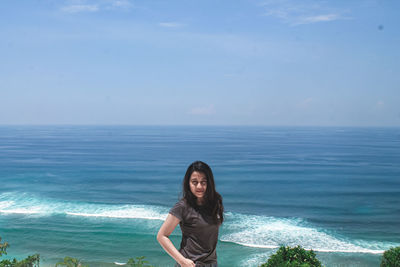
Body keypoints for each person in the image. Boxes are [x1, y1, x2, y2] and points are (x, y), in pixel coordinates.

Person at [157, 161, 224, 267]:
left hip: (212, 263)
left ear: (209, 183)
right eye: (194, 182)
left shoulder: (215, 202)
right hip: (191, 264)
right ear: (188, 183)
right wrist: (182, 261)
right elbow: (162, 236)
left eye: (203, 182)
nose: (199, 186)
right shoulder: (182, 207)